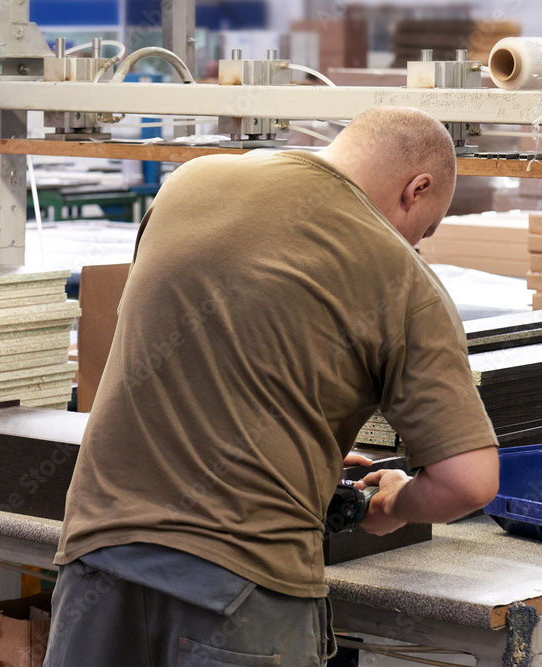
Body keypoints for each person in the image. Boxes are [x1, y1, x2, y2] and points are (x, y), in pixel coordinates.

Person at [45, 107, 500, 667]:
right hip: (241, 590)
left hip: (98, 561)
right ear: (417, 189)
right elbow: (471, 482)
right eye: (425, 229)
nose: (418, 246)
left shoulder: (191, 181)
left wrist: (297, 451)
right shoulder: (400, 277)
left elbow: (188, 345)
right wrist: (394, 504)